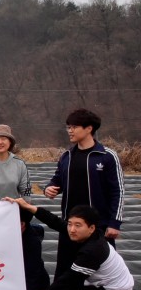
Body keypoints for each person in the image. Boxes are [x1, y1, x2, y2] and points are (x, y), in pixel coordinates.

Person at [8, 199, 133, 290]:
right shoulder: (91, 235)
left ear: (91, 228)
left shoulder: (93, 250)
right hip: (102, 289)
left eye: (77, 225)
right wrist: (28, 207)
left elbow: (69, 280)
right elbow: (56, 222)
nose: (72, 229)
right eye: (70, 224)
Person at [43, 109, 124, 277]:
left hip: (99, 227)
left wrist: (114, 223)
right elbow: (57, 180)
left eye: (74, 127)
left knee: (100, 272)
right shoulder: (67, 156)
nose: (70, 131)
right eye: (68, 127)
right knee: (66, 270)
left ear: (89, 129)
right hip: (70, 226)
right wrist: (49, 188)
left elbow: (118, 191)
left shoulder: (107, 156)